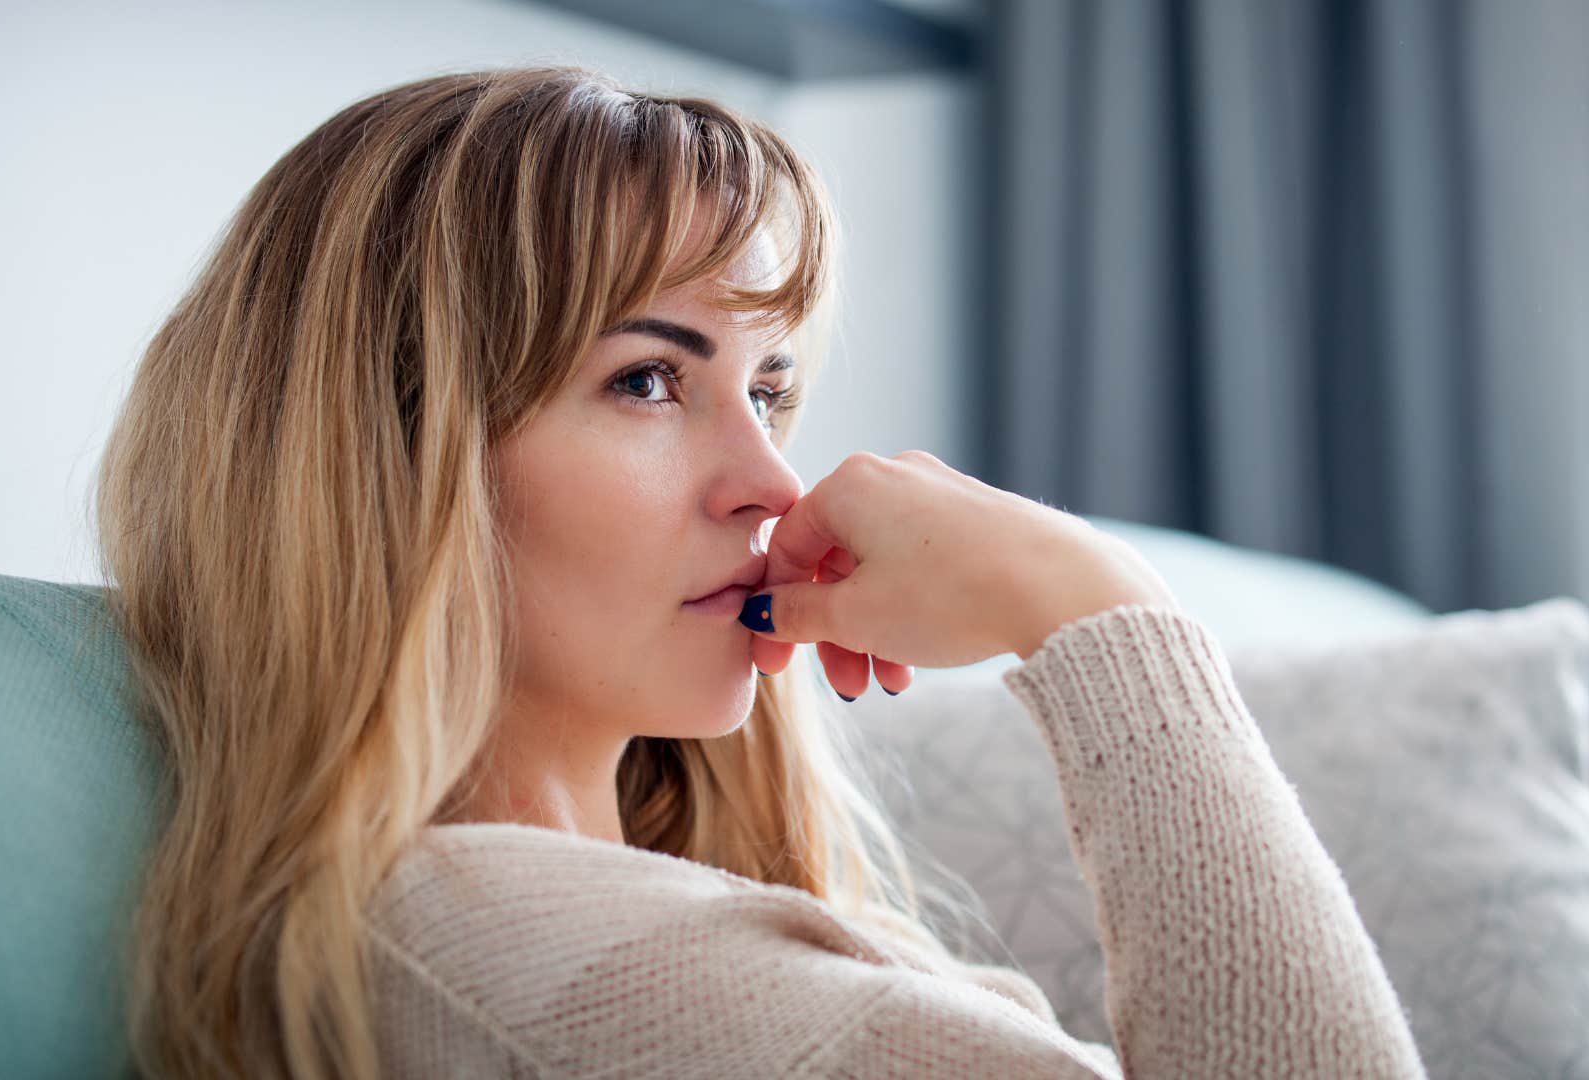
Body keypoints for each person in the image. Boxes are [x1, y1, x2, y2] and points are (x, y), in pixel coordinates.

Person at [94, 65, 1427, 1078]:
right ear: (387, 453)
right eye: (651, 378)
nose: (774, 481)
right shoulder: (547, 962)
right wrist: (1100, 611)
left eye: (771, 387)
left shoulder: (603, 923)